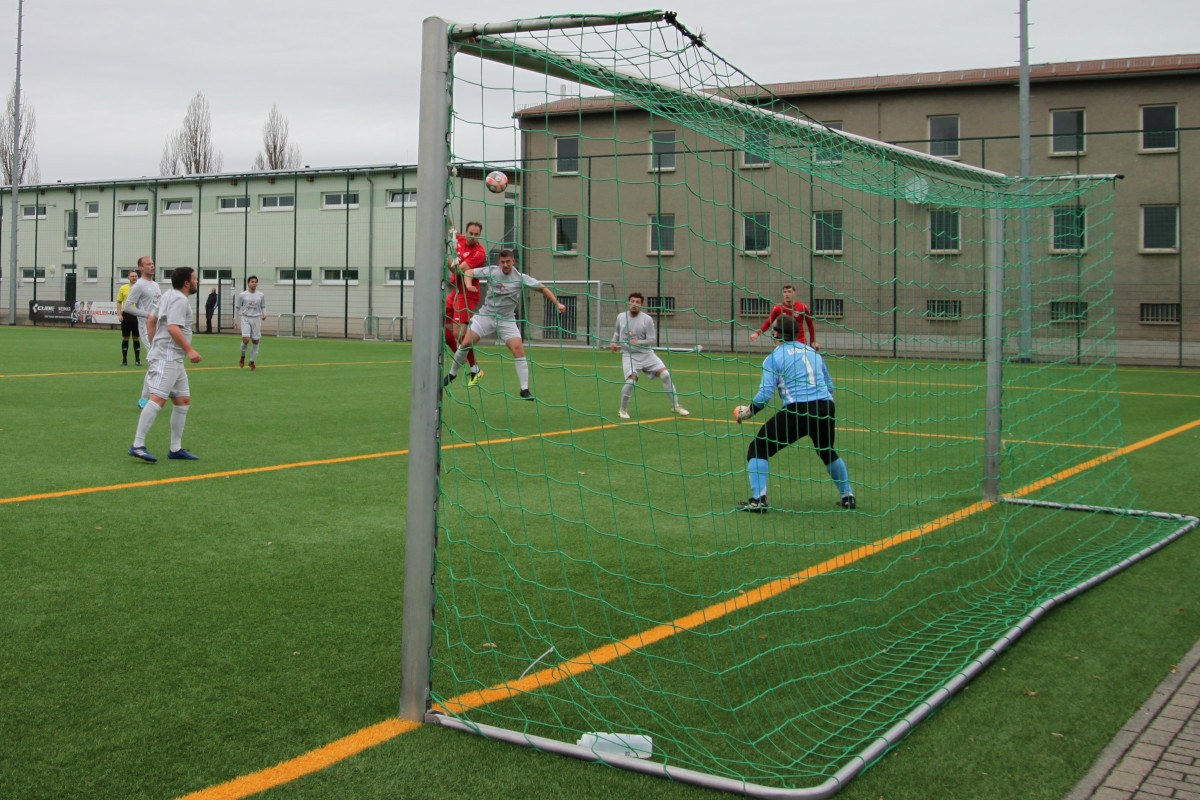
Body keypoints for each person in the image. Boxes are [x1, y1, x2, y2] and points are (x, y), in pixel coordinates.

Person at [732, 314, 854, 512]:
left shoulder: (773, 358)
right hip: (825, 407)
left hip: (798, 410)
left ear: (776, 334)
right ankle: (848, 495)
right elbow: (829, 385)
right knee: (826, 451)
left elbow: (765, 395)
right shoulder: (813, 352)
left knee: (758, 447)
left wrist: (748, 412)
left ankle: (758, 500)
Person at [442, 249, 565, 401]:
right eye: (502, 262)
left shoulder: (520, 278)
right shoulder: (493, 271)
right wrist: (468, 285)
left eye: (508, 262)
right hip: (486, 315)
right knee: (465, 342)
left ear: (513, 261)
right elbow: (469, 272)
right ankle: (452, 373)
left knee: (518, 350)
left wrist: (557, 303)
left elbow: (541, 287)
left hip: (506, 319)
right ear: (499, 262)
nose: (505, 265)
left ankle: (524, 389)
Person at [127, 266, 202, 463]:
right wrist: (189, 350)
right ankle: (137, 445)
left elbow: (151, 320)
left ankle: (175, 449)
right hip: (167, 358)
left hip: (172, 359)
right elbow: (172, 327)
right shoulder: (179, 299)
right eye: (194, 279)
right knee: (157, 399)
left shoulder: (167, 294)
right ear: (187, 283)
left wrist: (154, 345)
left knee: (182, 401)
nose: (196, 282)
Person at [610, 291, 689, 419]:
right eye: (632, 302)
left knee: (665, 374)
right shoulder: (621, 317)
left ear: (641, 305)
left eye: (637, 302)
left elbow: (652, 340)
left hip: (647, 354)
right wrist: (613, 342)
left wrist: (638, 342)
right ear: (628, 303)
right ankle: (623, 410)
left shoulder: (647, 319)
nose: (634, 304)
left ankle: (676, 406)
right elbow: (617, 333)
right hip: (629, 355)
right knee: (631, 383)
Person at [444, 221, 487, 386]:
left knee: (458, 334)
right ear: (466, 232)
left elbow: (457, 269)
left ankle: (473, 367)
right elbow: (451, 227)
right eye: (471, 233)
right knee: (440, 321)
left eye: (476, 235)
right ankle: (469, 364)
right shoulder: (460, 239)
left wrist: (441, 256)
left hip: (468, 294)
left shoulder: (479, 253)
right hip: (457, 291)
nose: (473, 237)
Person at [123, 257, 162, 408]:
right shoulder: (138, 286)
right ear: (140, 268)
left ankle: (150, 396)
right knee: (155, 360)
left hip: (158, 328)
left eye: (152, 264)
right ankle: (145, 398)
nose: (152, 266)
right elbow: (128, 307)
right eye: (148, 264)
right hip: (146, 328)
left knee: (158, 361)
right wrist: (147, 315)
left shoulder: (155, 285)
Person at [749, 284, 818, 349]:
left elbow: (810, 324)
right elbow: (768, 323)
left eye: (789, 292)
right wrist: (757, 333)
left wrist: (813, 341)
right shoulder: (778, 308)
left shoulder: (802, 307)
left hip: (800, 341)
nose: (787, 294)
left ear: (794, 294)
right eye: (785, 292)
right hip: (784, 341)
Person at [234, 276, 266, 370]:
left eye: (255, 282)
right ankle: (242, 356)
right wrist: (235, 320)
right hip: (246, 318)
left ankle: (252, 362)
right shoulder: (242, 295)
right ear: (248, 283)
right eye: (252, 282)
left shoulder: (261, 295)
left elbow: (263, 306)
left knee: (256, 341)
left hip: (256, 319)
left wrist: (264, 314)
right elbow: (237, 308)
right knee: (246, 340)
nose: (254, 283)